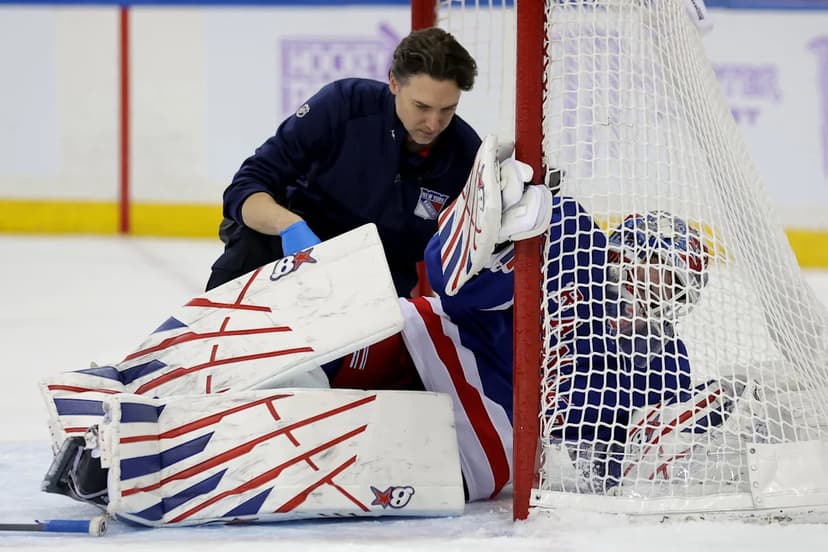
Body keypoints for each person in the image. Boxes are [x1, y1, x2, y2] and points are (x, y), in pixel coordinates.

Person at [206, 26, 482, 298]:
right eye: (421, 107)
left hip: (376, 283)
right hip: (282, 252)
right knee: (247, 253)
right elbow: (245, 186)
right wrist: (289, 226)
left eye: (448, 109)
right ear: (394, 83)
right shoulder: (343, 106)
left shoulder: (466, 154)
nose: (434, 124)